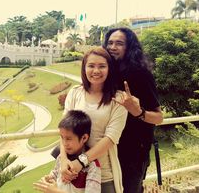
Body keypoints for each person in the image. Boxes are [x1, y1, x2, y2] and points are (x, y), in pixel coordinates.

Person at [59, 47, 128, 193]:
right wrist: (64, 161)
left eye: (102, 66)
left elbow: (110, 138)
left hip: (104, 175)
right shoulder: (75, 92)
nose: (96, 71)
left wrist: (81, 162)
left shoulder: (119, 99)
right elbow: (63, 131)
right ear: (84, 68)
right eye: (91, 66)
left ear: (109, 69)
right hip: (73, 174)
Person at [103, 27, 163, 193]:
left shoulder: (140, 74)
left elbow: (159, 117)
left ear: (129, 48)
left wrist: (138, 111)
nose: (113, 47)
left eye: (119, 43)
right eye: (110, 43)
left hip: (134, 152)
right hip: (108, 148)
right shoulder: (108, 73)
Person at [34, 110, 101, 193]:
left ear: (84, 138)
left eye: (69, 139)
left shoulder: (93, 166)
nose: (64, 143)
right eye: (62, 137)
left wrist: (55, 191)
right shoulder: (62, 157)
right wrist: (49, 179)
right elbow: (56, 173)